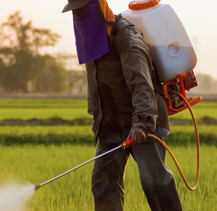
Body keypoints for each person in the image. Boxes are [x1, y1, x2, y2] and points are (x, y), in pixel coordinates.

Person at [61, 0, 183, 210]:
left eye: (83, 9)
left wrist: (142, 124)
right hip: (112, 124)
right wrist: (98, 120)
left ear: (98, 6)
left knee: (154, 183)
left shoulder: (125, 37)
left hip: (145, 120)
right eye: (76, 11)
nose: (79, 15)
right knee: (103, 183)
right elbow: (95, 87)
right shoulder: (91, 41)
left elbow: (141, 84)